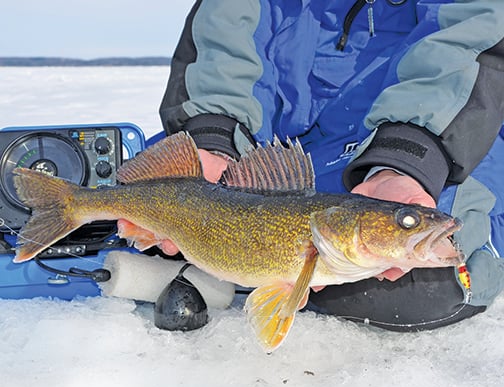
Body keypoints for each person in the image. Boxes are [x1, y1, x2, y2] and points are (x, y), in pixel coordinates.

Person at [143, 0, 504, 331]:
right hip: (271, 153)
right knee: (156, 215)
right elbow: (225, 38)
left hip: (434, 133)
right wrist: (215, 136)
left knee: (425, 280)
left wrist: (405, 160)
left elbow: (468, 38)